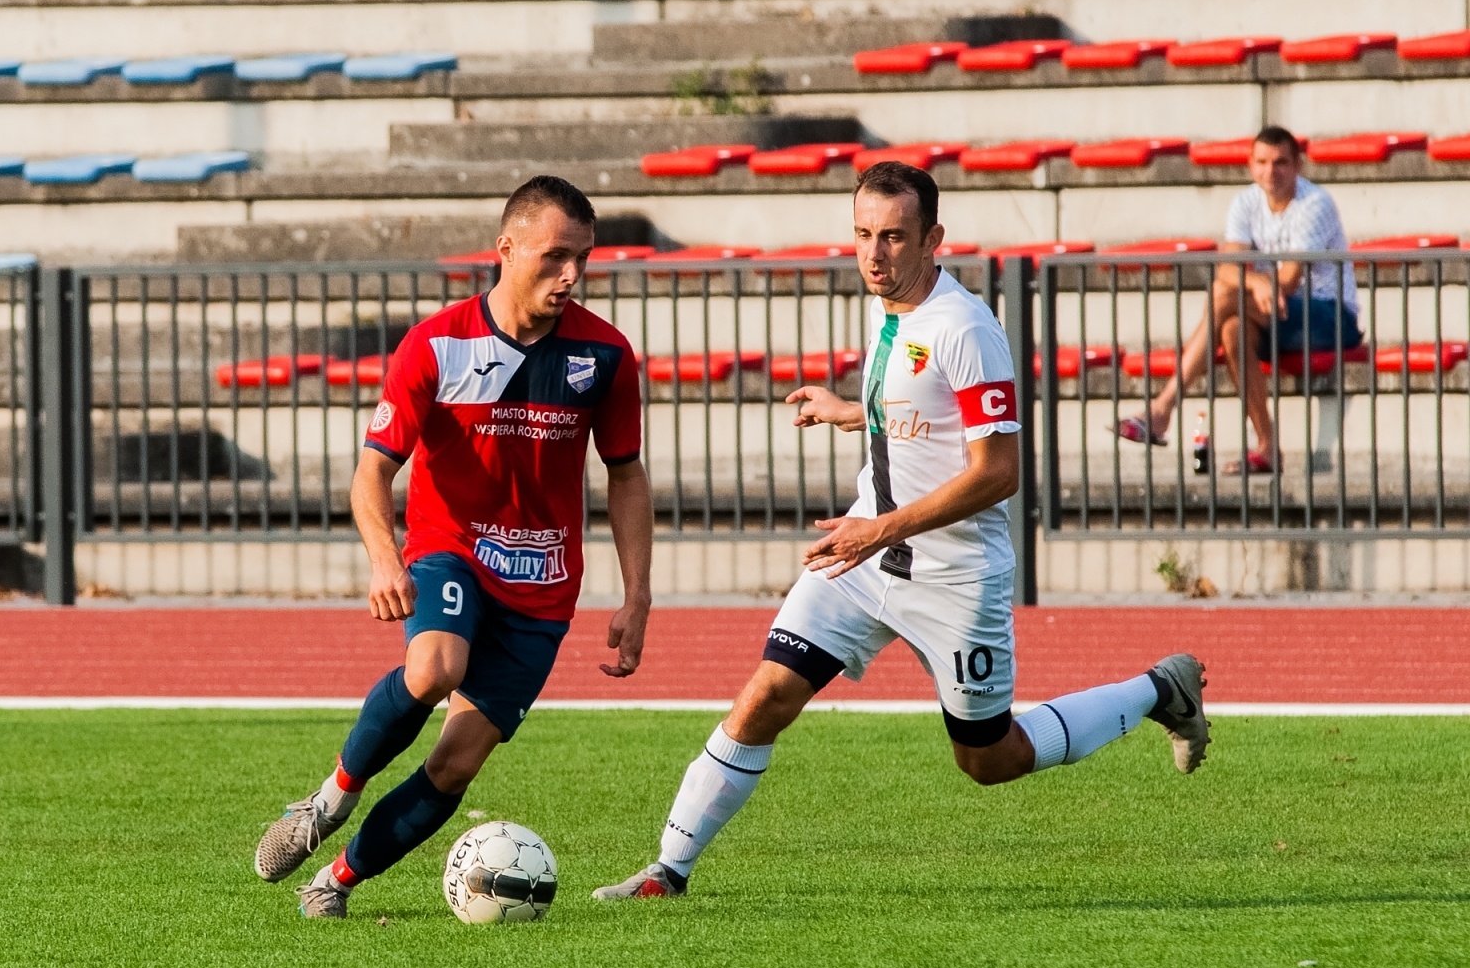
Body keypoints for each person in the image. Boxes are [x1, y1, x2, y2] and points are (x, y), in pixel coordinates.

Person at [593, 162, 1210, 902]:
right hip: (864, 561)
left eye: (892, 236)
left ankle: (1158, 690)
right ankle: (667, 871)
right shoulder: (890, 307)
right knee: (765, 696)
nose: (874, 253)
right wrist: (851, 413)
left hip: (952, 576)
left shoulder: (965, 328)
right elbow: (923, 406)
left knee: (990, 759)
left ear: (932, 238)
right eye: (862, 234)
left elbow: (999, 472)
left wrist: (878, 528)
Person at [254, 175, 653, 918]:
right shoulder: (436, 344)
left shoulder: (605, 354)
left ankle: (335, 881)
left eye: (583, 258)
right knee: (436, 667)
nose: (571, 274)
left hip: (543, 582)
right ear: (506, 249)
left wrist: (638, 596)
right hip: (452, 549)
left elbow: (625, 474)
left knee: (457, 762)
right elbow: (372, 472)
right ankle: (330, 798)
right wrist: (384, 558)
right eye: (555, 256)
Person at [1117, 125, 1362, 474]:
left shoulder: (1314, 203)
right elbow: (1228, 269)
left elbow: (1289, 280)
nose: (1270, 171)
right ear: (1250, 165)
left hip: (1329, 314)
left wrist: (1256, 283)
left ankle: (1162, 407)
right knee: (1232, 330)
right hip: (1273, 311)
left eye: (1280, 162)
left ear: (1298, 165)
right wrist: (1257, 281)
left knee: (1222, 297)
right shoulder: (1246, 202)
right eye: (1262, 162)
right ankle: (1267, 447)